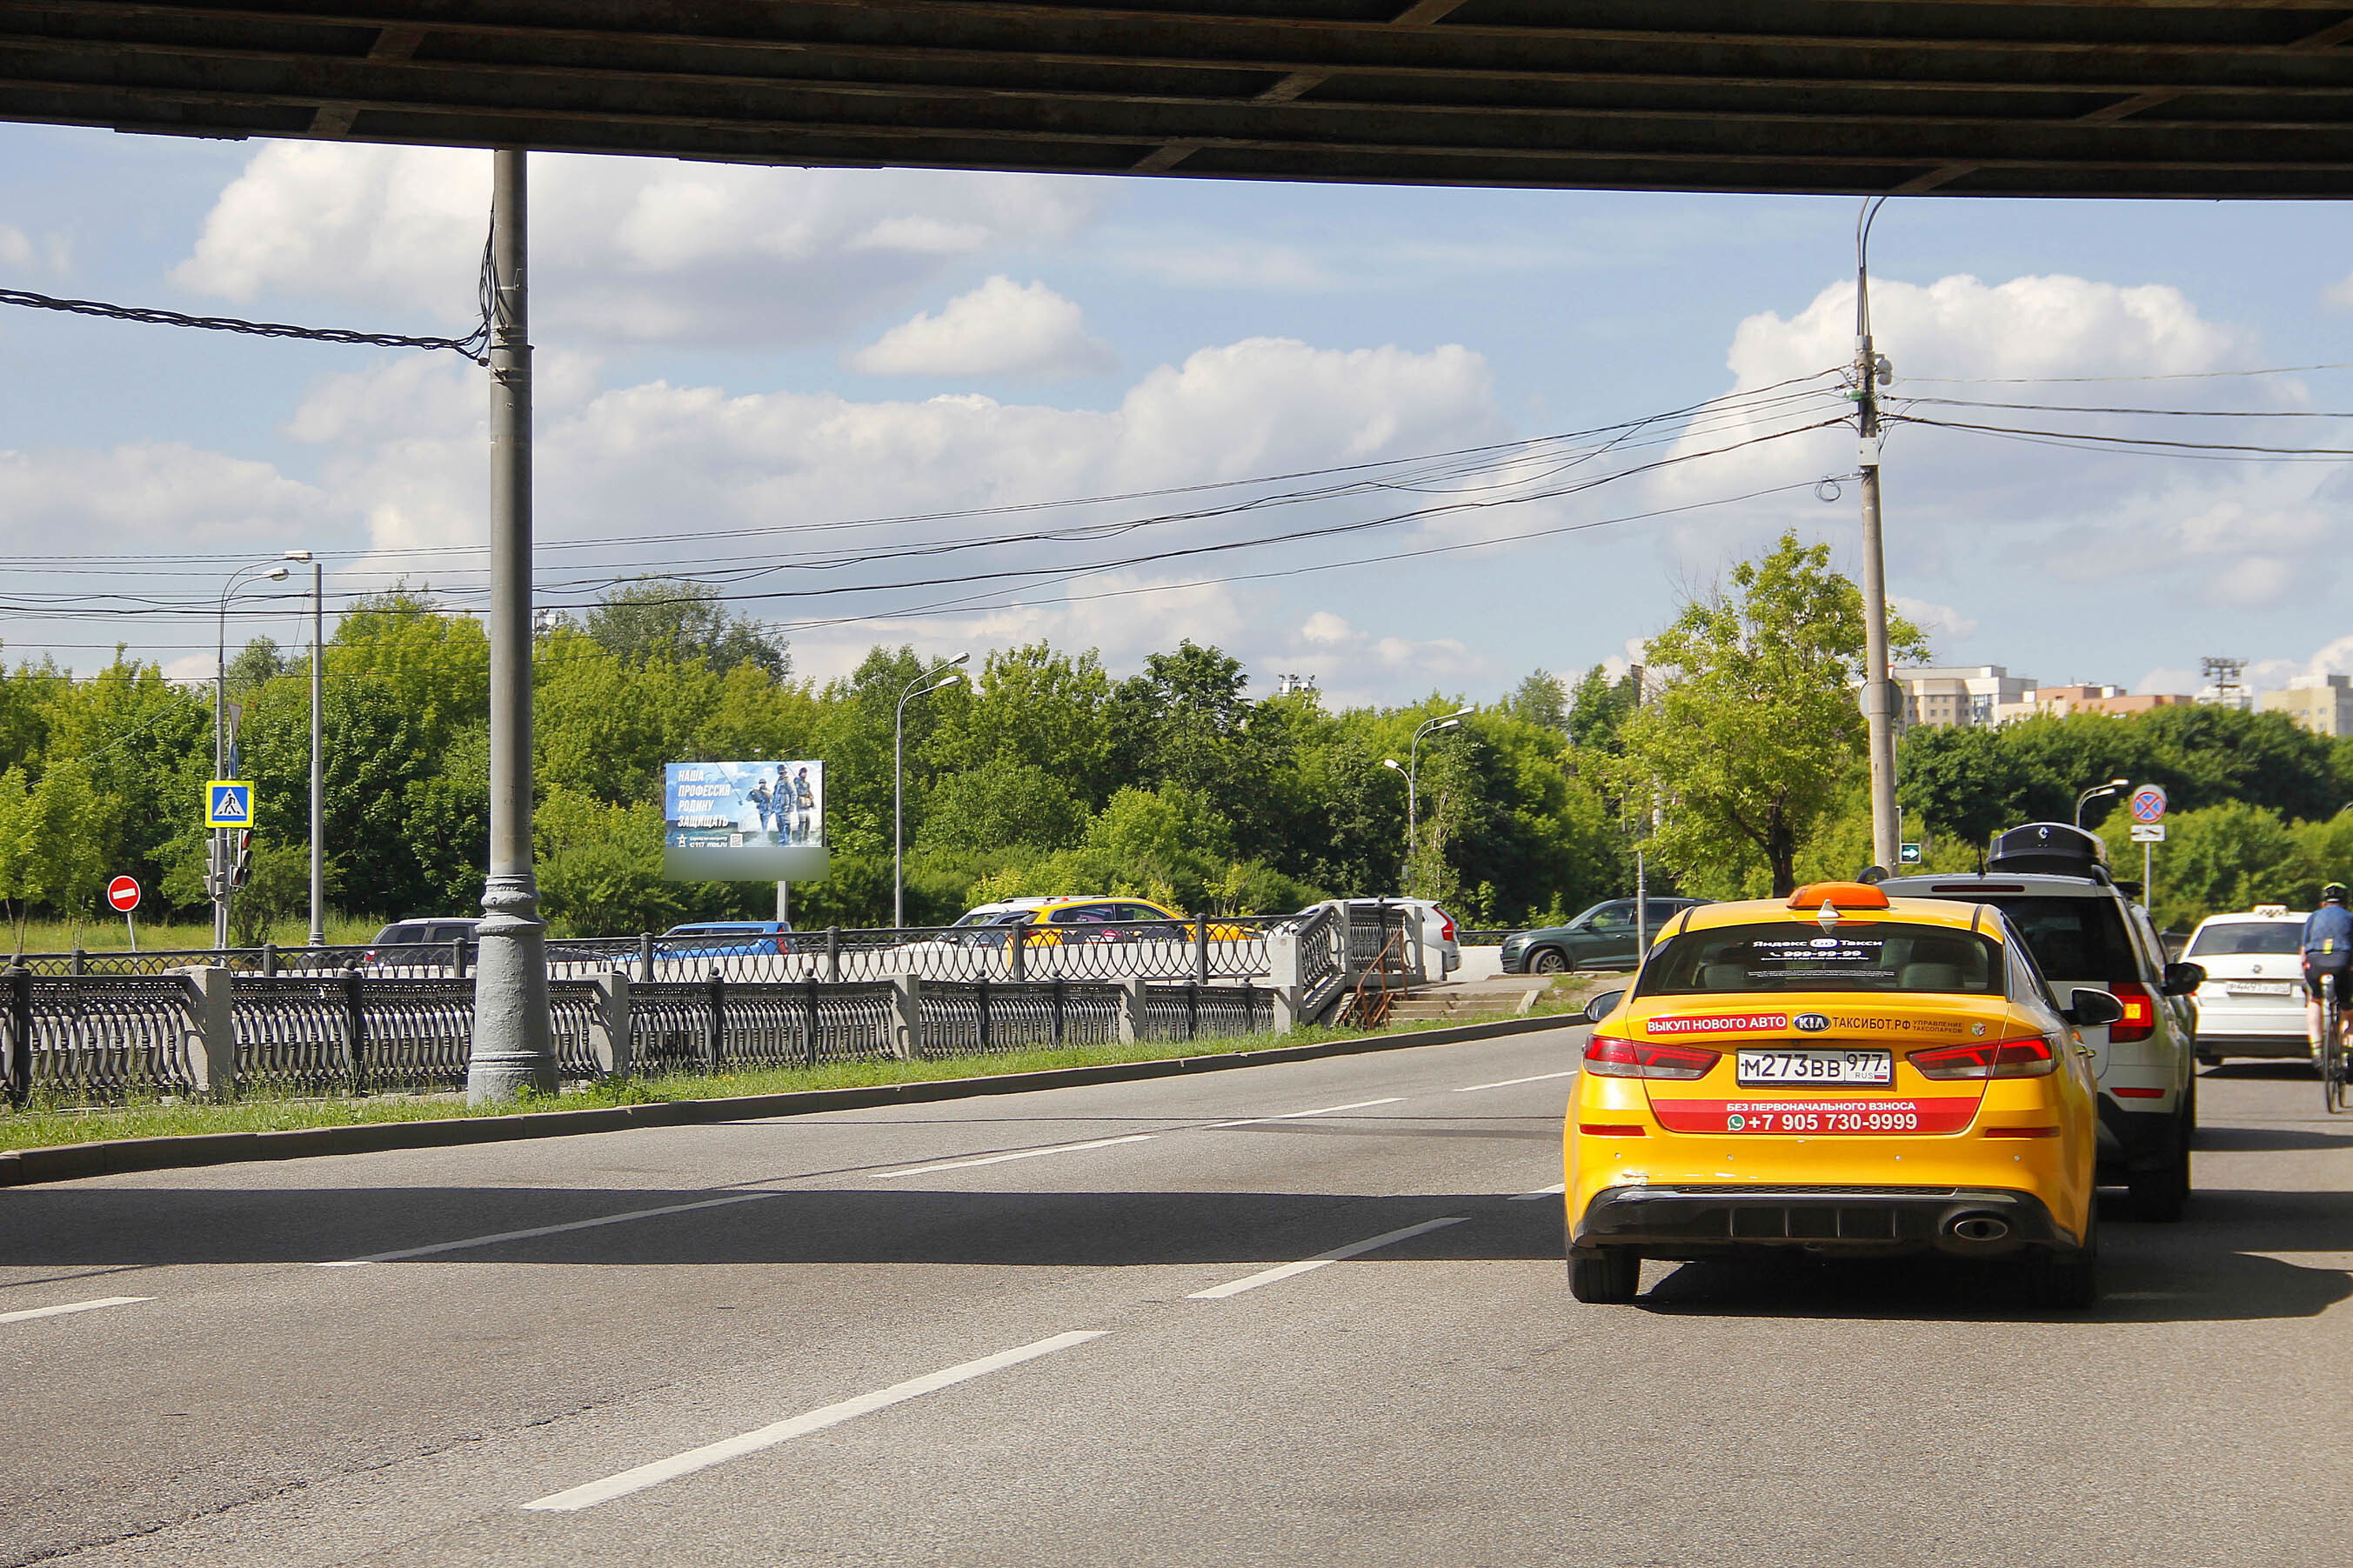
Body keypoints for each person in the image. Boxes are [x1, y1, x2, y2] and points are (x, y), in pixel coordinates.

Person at [2303, 883, 2353, 1058]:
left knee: (2315, 1000)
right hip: (2342, 962)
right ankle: (2347, 1052)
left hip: (2315, 962)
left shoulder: (2314, 917)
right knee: (2348, 1011)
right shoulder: (2350, 917)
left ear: (2323, 903)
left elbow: (2303, 952)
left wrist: (2306, 974)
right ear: (2346, 903)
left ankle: (2317, 1048)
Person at [746, 774, 774, 842]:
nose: (762, 784)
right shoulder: (757, 792)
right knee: (763, 823)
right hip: (761, 809)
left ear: (765, 784)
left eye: (763, 783)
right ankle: (764, 835)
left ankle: (765, 836)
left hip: (767, 809)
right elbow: (748, 799)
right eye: (761, 783)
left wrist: (762, 792)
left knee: (765, 823)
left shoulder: (768, 791)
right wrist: (751, 793)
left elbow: (772, 797)